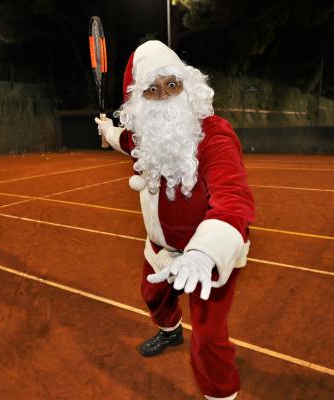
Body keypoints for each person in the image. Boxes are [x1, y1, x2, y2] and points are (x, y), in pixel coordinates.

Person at [95, 40, 255, 400]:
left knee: (210, 338)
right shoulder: (146, 135)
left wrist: (204, 253)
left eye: (172, 84)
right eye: (152, 90)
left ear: (188, 86)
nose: (164, 97)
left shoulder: (214, 134)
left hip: (208, 254)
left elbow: (233, 197)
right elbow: (127, 139)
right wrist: (106, 130)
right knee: (153, 295)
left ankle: (221, 395)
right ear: (140, 103)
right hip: (160, 247)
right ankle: (169, 330)